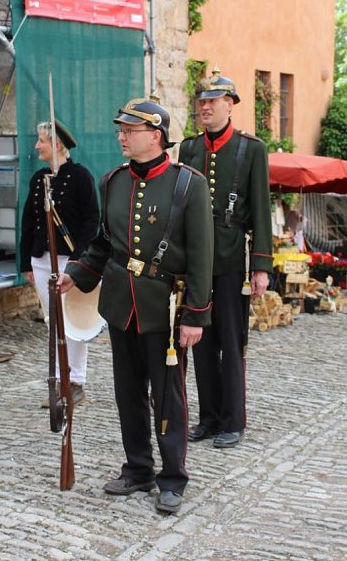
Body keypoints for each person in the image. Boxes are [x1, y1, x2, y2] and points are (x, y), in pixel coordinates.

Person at [58, 96, 213, 514]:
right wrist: (77, 273)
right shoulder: (113, 181)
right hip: (121, 302)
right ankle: (138, 469)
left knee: (168, 397)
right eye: (121, 129)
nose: (121, 136)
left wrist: (195, 315)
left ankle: (172, 478)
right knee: (128, 393)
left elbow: (202, 256)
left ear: (156, 136)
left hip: (165, 307)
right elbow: (105, 245)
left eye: (130, 130)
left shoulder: (188, 184)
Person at [178, 67, 273, 449]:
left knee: (231, 343)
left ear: (230, 105)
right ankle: (209, 417)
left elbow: (263, 211)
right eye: (202, 101)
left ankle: (234, 418)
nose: (205, 107)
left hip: (233, 259)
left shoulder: (252, 150)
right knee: (201, 341)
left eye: (213, 101)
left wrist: (261, 266)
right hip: (196, 262)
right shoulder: (189, 149)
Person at [19, 120, 100, 406]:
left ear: (56, 145)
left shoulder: (80, 176)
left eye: (41, 140)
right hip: (41, 258)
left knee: (71, 320)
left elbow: (92, 220)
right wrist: (25, 262)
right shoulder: (39, 177)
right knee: (52, 319)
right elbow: (28, 220)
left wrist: (80, 258)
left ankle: (76, 381)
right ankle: (57, 378)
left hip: (70, 259)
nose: (37, 145)